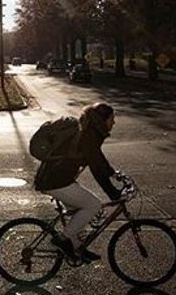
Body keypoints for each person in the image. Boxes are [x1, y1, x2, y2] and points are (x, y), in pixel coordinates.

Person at [34, 102, 122, 262]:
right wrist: (113, 193)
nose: (113, 123)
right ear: (103, 120)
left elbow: (99, 159)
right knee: (94, 205)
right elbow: (96, 169)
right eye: (112, 119)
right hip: (56, 182)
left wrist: (114, 174)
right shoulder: (89, 135)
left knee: (78, 213)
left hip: (58, 179)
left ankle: (78, 248)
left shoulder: (90, 131)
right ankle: (62, 240)